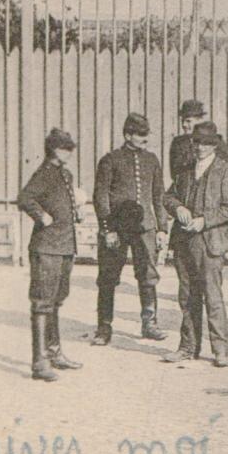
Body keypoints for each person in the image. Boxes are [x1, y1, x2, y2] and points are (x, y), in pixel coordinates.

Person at [161, 121, 228, 367]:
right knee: (187, 297)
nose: (200, 147)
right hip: (184, 242)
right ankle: (188, 347)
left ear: (215, 145)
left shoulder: (226, 171)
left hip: (210, 243)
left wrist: (204, 221)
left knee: (213, 296)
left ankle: (220, 349)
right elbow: (167, 196)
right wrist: (179, 208)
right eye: (196, 142)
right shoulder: (185, 170)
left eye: (206, 143)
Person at [92, 112, 168, 344]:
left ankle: (149, 323)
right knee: (108, 277)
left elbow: (158, 197)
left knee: (148, 276)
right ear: (128, 135)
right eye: (140, 134)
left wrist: (162, 228)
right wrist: (107, 228)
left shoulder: (152, 160)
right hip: (117, 227)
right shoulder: (110, 160)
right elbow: (101, 196)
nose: (145, 139)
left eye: (147, 134)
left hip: (144, 228)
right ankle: (104, 328)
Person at [16, 129, 85, 381]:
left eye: (70, 148)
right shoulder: (44, 174)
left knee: (56, 300)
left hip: (65, 247)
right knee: (42, 303)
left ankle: (55, 353)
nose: (69, 152)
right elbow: (24, 198)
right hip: (46, 248)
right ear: (54, 150)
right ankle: (39, 361)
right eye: (65, 148)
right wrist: (41, 216)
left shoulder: (65, 175)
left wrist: (77, 212)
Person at [167, 99, 228, 183]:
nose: (184, 125)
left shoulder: (217, 142)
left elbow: (222, 172)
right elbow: (175, 174)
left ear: (200, 120)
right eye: (182, 121)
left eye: (188, 121)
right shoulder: (178, 143)